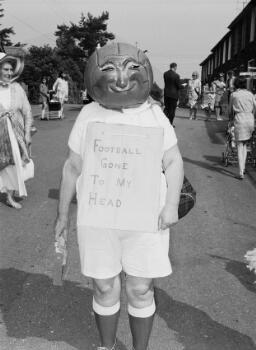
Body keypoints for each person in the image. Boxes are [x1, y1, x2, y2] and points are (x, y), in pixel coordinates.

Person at [55, 42, 184, 350]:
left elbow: (174, 161)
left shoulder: (154, 116)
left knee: (140, 288)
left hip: (145, 219)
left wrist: (171, 205)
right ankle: (107, 345)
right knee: (103, 286)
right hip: (99, 218)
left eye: (129, 69)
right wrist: (62, 215)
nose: (121, 78)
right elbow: (72, 168)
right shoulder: (89, 114)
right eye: (110, 69)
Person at [0, 51, 34, 209]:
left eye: (10, 70)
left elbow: (27, 111)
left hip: (14, 134)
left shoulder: (18, 88)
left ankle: (9, 196)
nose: (8, 72)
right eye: (5, 69)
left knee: (13, 163)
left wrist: (27, 133)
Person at [229, 76, 256, 179]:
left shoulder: (234, 94)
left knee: (240, 146)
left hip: (239, 119)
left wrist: (230, 120)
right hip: (250, 119)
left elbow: (230, 110)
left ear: (236, 84)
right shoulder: (250, 94)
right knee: (245, 145)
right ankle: (243, 168)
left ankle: (241, 172)